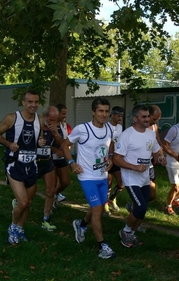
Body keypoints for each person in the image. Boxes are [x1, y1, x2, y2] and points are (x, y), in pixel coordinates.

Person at [67, 97, 116, 259]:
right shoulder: (83, 129)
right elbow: (64, 145)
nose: (104, 114)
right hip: (86, 176)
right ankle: (102, 246)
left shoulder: (109, 128)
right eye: (100, 111)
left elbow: (110, 144)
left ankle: (81, 225)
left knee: (100, 209)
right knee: (96, 209)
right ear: (93, 112)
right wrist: (72, 163)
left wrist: (110, 157)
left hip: (102, 175)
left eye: (106, 111)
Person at [114, 104, 167, 248]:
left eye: (148, 116)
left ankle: (131, 233)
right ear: (135, 118)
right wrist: (134, 167)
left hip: (144, 178)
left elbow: (157, 150)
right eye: (144, 117)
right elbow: (116, 158)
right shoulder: (127, 135)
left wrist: (161, 158)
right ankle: (125, 232)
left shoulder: (150, 133)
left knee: (142, 210)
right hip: (131, 178)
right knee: (141, 207)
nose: (147, 119)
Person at [0, 89, 44, 244]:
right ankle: (12, 227)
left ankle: (20, 228)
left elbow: (38, 139)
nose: (33, 105)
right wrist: (8, 143)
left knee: (28, 202)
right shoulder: (12, 118)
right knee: (23, 202)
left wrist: (40, 143)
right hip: (14, 164)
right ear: (23, 102)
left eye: (36, 102)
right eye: (30, 102)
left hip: (32, 165)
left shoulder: (40, 120)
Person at [37, 106, 65, 231]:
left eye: (55, 120)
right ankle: (20, 201)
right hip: (34, 162)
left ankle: (46, 219)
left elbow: (62, 145)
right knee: (28, 194)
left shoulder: (54, 128)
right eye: (50, 119)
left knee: (51, 190)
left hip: (48, 162)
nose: (53, 123)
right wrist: (36, 143)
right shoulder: (35, 125)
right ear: (44, 116)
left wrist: (56, 135)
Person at [105, 106, 125, 214]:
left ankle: (112, 199)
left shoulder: (120, 127)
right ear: (112, 115)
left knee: (122, 182)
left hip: (117, 158)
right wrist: (109, 156)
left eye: (121, 116)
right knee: (108, 182)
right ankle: (105, 204)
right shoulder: (106, 126)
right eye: (118, 116)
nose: (120, 118)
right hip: (107, 158)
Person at [52, 104, 72, 208]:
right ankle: (50, 203)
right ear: (57, 113)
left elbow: (68, 142)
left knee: (65, 182)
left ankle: (54, 195)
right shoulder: (49, 124)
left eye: (66, 113)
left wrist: (66, 151)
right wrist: (55, 149)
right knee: (53, 182)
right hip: (51, 158)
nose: (65, 116)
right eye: (63, 113)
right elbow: (45, 142)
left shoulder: (66, 126)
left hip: (62, 157)